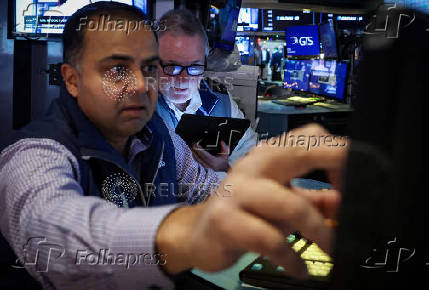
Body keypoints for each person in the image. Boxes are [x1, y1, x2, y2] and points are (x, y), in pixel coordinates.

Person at [0, 2, 344, 289]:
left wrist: (283, 203)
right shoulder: (34, 153)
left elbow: (207, 188)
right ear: (72, 80)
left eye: (149, 67)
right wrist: (184, 231)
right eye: (117, 69)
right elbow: (52, 236)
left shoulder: (156, 138)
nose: (140, 84)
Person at [155, 9, 257, 174]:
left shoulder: (221, 100)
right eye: (172, 66)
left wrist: (225, 169)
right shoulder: (140, 109)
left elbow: (253, 157)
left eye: (194, 67)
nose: (183, 78)